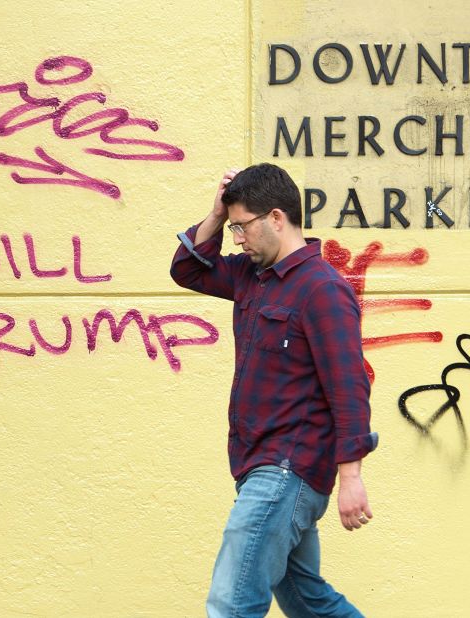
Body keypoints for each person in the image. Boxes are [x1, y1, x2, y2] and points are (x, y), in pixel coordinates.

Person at [170, 163, 378, 617]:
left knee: (232, 604)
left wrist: (352, 477)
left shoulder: (322, 289)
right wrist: (216, 216)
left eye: (242, 226)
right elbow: (186, 270)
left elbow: (349, 386)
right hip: (255, 464)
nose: (237, 238)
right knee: (307, 600)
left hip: (286, 469)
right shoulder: (251, 276)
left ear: (277, 218)